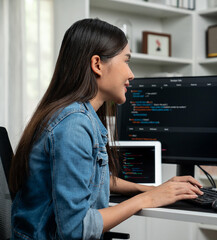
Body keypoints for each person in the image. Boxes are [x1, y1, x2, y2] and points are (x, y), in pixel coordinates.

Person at [9, 18, 203, 240]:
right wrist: (148, 199)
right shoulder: (73, 126)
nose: (131, 75)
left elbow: (90, 178)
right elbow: (76, 229)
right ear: (97, 64)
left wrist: (147, 190)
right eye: (126, 61)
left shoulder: (78, 117)